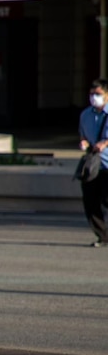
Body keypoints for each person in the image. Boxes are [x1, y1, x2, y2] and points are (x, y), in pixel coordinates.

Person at [77, 79, 108, 247]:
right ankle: (102, 236)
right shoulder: (85, 115)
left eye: (98, 94)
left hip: (107, 163)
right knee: (90, 202)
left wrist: (105, 143)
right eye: (91, 94)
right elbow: (83, 134)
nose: (94, 97)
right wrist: (83, 142)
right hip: (93, 165)